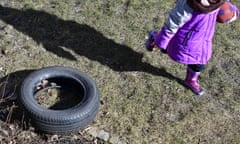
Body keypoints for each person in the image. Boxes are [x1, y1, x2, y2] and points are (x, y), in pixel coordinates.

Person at [146, 0, 239, 95]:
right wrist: (161, 41)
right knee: (169, 49)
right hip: (183, 40)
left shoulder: (216, 2)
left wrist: (232, 13)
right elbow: (172, 24)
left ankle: (191, 80)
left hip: (203, 41)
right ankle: (155, 39)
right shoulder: (187, 5)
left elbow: (227, 10)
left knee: (200, 61)